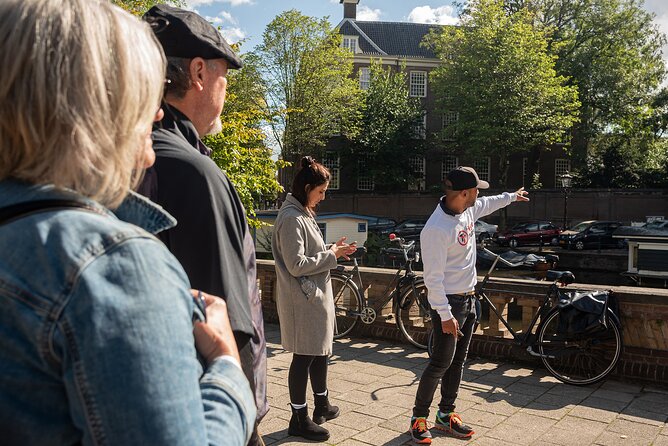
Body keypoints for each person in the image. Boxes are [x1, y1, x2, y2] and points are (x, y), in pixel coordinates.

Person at [0, 0, 255, 445]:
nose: (157, 113)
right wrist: (228, 371)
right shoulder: (114, 265)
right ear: (93, 107)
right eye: (142, 93)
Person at [139, 5, 268, 444]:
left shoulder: (114, 157)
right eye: (224, 75)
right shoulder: (194, 173)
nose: (226, 89)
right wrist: (244, 423)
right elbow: (227, 326)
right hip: (206, 414)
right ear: (197, 72)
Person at [409, 167, 529, 444]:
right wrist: (445, 315)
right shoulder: (436, 229)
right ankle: (418, 419)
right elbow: (433, 280)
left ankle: (445, 415)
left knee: (458, 362)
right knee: (440, 363)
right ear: (464, 193)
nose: (479, 194)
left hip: (469, 299)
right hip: (449, 304)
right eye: (476, 190)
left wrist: (512, 196)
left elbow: (489, 203)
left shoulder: (467, 210)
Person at [271, 157, 357, 442]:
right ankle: (299, 418)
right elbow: (296, 264)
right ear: (307, 188)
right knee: (303, 357)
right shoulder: (292, 218)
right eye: (320, 191)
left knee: (320, 351)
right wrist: (333, 256)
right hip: (303, 300)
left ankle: (322, 405)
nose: (323, 196)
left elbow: (309, 254)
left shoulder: (302, 212)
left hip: (313, 298)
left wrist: (332, 249)